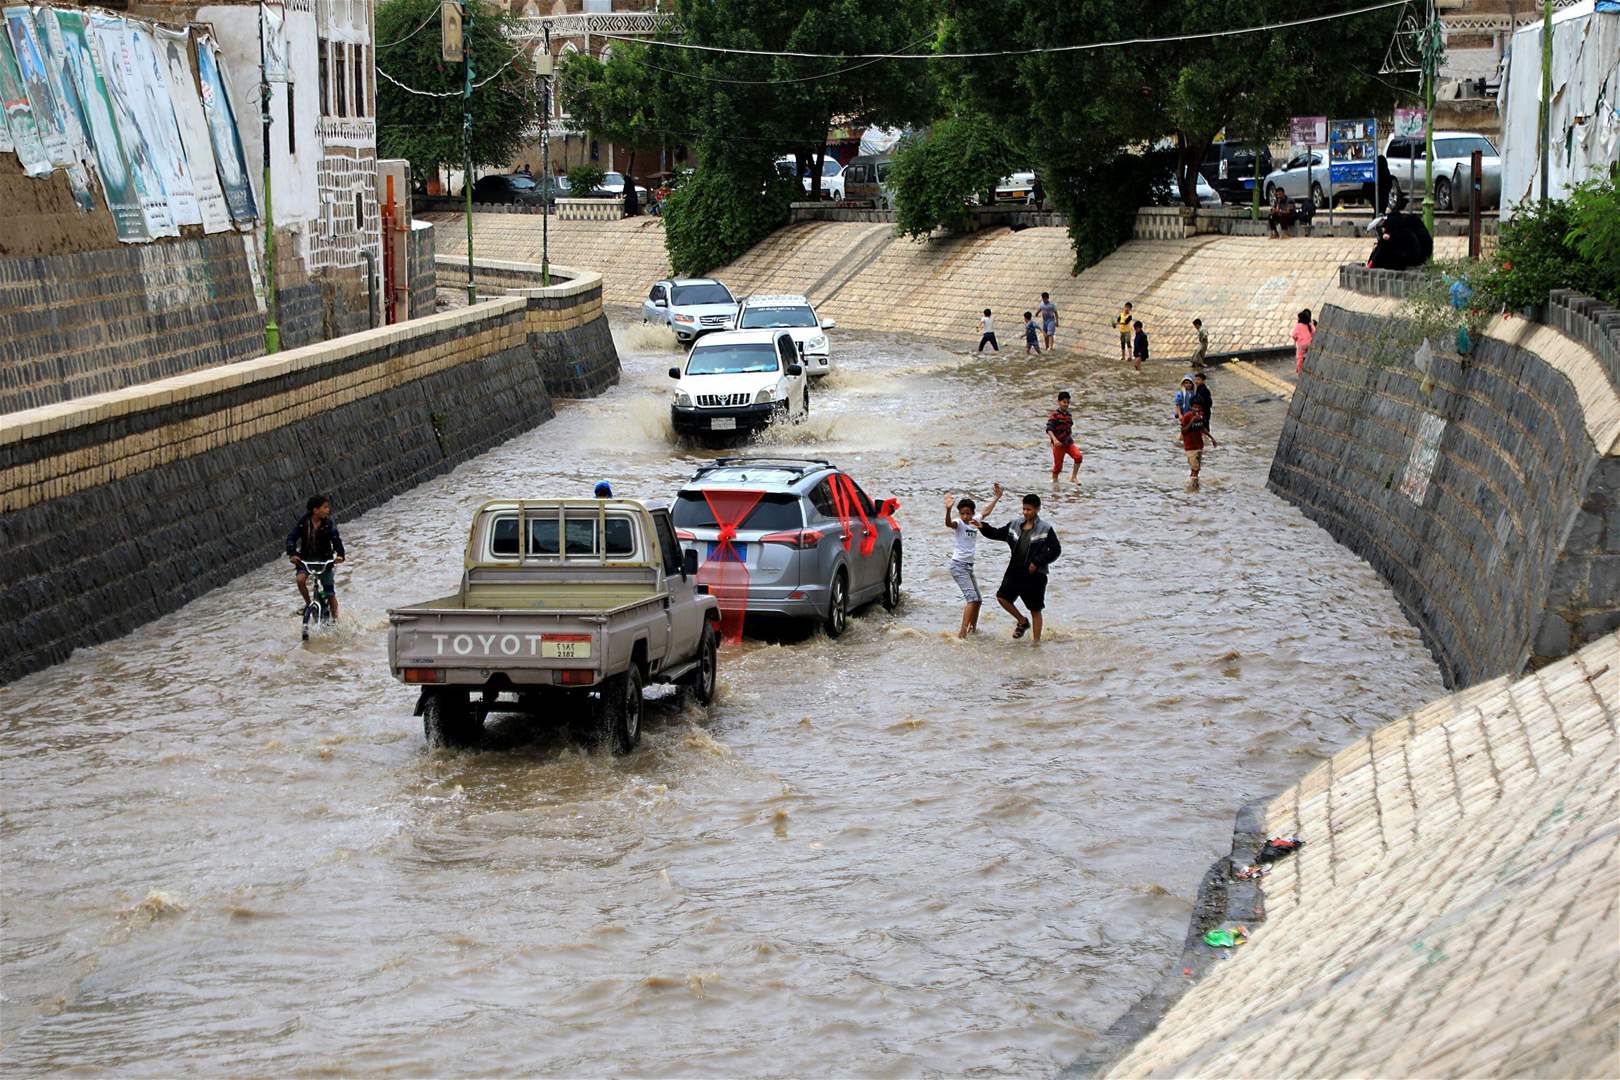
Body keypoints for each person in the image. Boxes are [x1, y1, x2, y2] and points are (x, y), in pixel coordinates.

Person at [979, 493, 1061, 642]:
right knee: (1002, 597)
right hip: (1015, 571)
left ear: (1037, 509)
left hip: (1035, 575)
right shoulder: (1015, 525)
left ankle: (1036, 643)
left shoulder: (1045, 528)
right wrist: (982, 526)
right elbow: (997, 533)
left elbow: (1055, 550)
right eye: (1024, 509)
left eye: (1029, 509)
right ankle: (1022, 621)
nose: (1025, 512)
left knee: (1035, 609)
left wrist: (1037, 562)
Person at [944, 485, 1001, 638]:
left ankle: (972, 630)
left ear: (973, 513)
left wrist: (997, 497)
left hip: (968, 567)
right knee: (972, 599)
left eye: (968, 513)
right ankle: (962, 633)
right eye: (962, 513)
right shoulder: (959, 523)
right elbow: (949, 524)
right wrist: (948, 510)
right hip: (958, 566)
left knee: (978, 600)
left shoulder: (975, 521)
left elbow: (986, 511)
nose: (965, 516)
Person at [286, 493, 346, 621]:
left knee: (330, 593)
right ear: (315, 510)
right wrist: (293, 554)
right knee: (300, 579)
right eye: (325, 507)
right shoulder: (303, 523)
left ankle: (336, 620)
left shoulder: (328, 524)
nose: (328, 510)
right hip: (306, 560)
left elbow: (336, 540)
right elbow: (291, 538)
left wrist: (340, 555)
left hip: (325, 561)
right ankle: (309, 605)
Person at [1047, 391, 1083, 483]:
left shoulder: (1068, 414)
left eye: (1068, 402)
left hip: (1068, 442)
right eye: (1064, 402)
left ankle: (1073, 477)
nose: (1066, 404)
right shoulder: (1054, 415)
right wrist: (1054, 440)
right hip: (1058, 444)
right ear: (1059, 402)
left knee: (1078, 457)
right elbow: (1049, 429)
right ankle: (1054, 482)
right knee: (1058, 467)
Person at [1180, 402, 1211, 484]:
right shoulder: (1187, 416)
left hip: (1199, 446)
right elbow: (1183, 431)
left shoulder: (1201, 416)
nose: (1197, 410)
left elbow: (1202, 428)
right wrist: (1192, 421)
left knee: (1196, 469)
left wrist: (1212, 438)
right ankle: (1192, 486)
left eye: (1199, 408)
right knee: (1195, 468)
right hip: (1190, 447)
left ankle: (1192, 484)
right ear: (1191, 407)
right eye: (1195, 407)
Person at [1292, 308, 1314, 374]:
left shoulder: (1298, 326)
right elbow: (1314, 332)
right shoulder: (1310, 325)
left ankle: (1299, 370)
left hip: (1301, 346)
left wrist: (1296, 340)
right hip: (1309, 344)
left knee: (1300, 357)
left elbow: (1293, 335)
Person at [1192, 372, 1214, 436]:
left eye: (1198, 379)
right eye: (1195, 379)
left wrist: (1202, 410)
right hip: (1202, 412)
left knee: (1204, 427)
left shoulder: (1204, 390)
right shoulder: (1199, 388)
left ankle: (1206, 439)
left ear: (1203, 381)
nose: (1196, 381)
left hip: (1204, 412)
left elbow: (1209, 403)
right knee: (1202, 428)